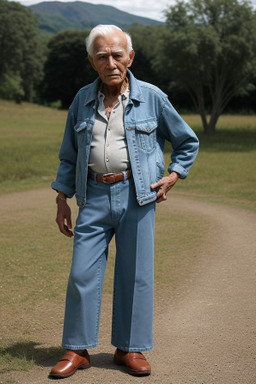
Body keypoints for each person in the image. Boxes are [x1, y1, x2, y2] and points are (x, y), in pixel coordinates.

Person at [49, 24, 199, 379]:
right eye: (102, 56)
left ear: (130, 57)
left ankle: (129, 350)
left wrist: (174, 175)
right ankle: (77, 349)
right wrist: (61, 198)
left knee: (136, 275)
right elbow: (69, 155)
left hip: (138, 196)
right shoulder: (81, 100)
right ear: (92, 61)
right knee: (82, 273)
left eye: (118, 55)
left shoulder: (153, 97)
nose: (111, 62)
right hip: (93, 196)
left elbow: (186, 141)